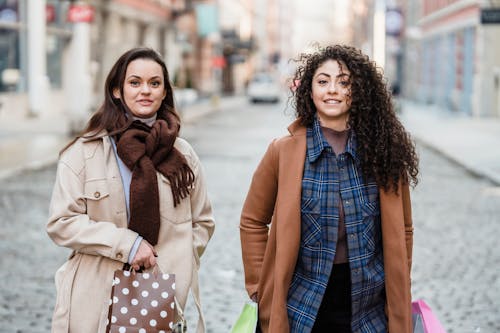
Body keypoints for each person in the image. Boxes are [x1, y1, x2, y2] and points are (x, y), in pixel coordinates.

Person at [240, 44, 419, 333]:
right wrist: (261, 287)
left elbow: (404, 229)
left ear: (358, 91)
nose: (332, 89)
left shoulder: (385, 153)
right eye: (323, 81)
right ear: (310, 91)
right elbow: (252, 221)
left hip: (368, 312)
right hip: (300, 308)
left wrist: (399, 285)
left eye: (344, 82)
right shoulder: (282, 152)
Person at [46, 47, 215, 333]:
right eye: (134, 82)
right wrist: (128, 244)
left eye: (155, 83)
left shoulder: (183, 155)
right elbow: (62, 222)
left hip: (159, 289)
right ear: (116, 90)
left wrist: (176, 264)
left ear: (164, 92)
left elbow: (202, 222)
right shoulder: (83, 153)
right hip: (94, 292)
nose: (145, 91)